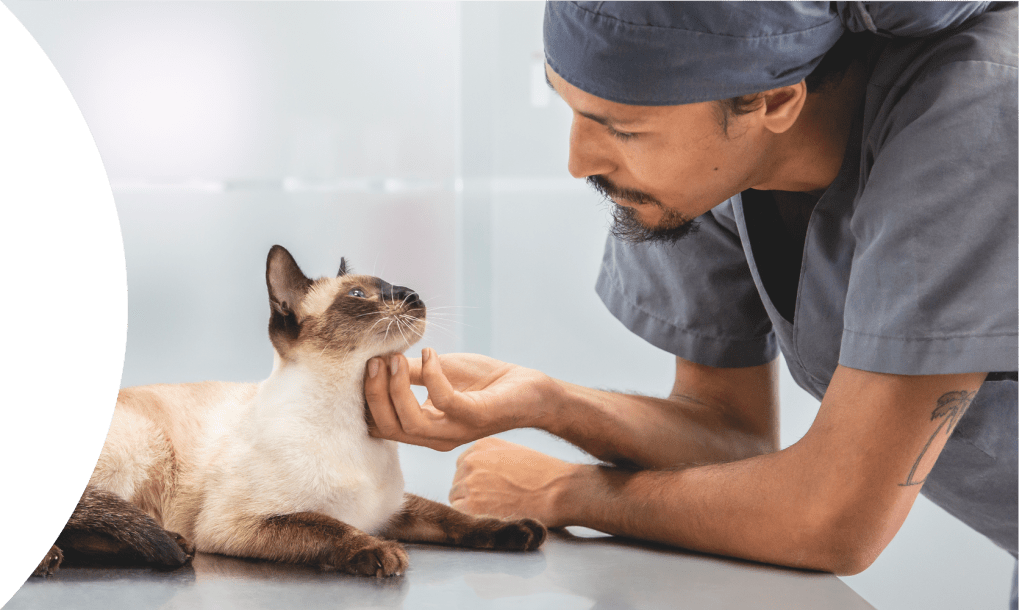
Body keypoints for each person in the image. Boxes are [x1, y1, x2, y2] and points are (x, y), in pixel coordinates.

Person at [365, 1, 1019, 605]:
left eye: (620, 129)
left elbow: (833, 518)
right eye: (570, 109)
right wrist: (545, 402)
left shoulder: (975, 117)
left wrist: (562, 491)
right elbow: (728, 438)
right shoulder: (705, 176)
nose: (577, 160)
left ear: (772, 101)